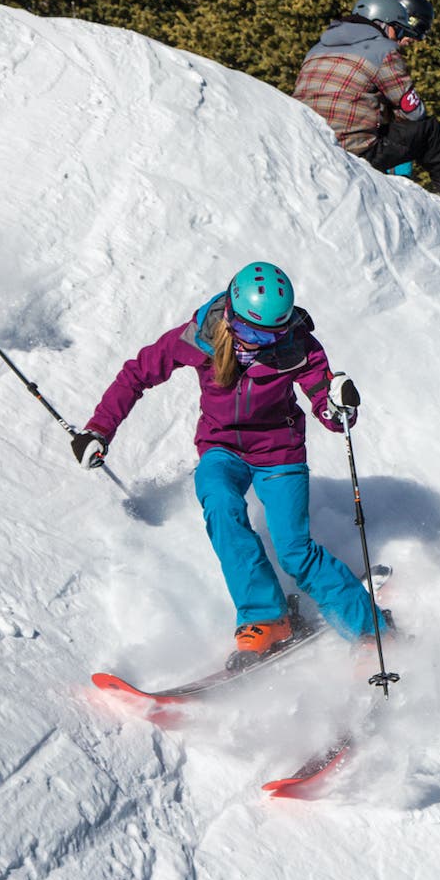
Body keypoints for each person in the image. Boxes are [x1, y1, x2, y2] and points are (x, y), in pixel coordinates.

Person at [72, 262, 392, 668]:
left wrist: (338, 403)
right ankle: (266, 617)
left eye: (273, 333)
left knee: (295, 552)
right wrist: (99, 430)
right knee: (221, 508)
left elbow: (326, 407)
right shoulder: (202, 336)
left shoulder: (297, 345)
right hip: (221, 448)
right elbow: (138, 373)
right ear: (233, 316)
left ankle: (372, 628)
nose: (263, 343)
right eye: (255, 333)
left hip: (280, 451)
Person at [293, 0, 440, 225]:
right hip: (352, 150)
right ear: (383, 24)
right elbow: (414, 111)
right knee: (428, 131)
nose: (399, 40)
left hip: (312, 142)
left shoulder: (316, 50)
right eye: (397, 30)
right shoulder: (382, 50)